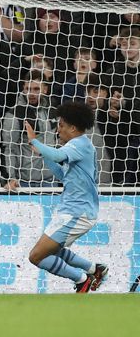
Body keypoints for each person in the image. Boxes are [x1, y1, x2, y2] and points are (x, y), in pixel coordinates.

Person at [24, 100, 108, 293]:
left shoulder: (80, 145)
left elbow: (55, 156)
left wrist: (34, 140)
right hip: (72, 210)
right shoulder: (77, 147)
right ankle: (95, 270)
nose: (58, 129)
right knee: (51, 250)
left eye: (61, 125)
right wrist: (43, 152)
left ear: (73, 127)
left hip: (77, 212)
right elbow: (61, 173)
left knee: (36, 256)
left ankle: (81, 280)